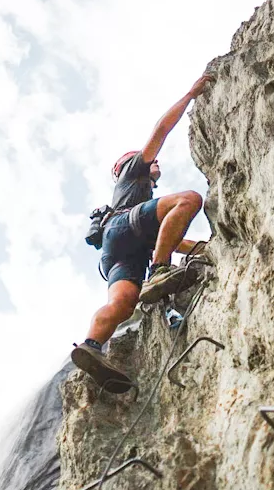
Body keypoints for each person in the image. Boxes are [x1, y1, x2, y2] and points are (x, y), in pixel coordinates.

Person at [71, 73, 213, 390]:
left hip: (117, 255)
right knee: (189, 200)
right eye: (151, 160)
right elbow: (161, 131)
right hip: (126, 228)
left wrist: (205, 250)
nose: (155, 160)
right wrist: (190, 95)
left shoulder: (143, 208)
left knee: (122, 304)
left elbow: (172, 238)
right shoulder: (134, 172)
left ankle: (91, 346)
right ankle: (160, 271)